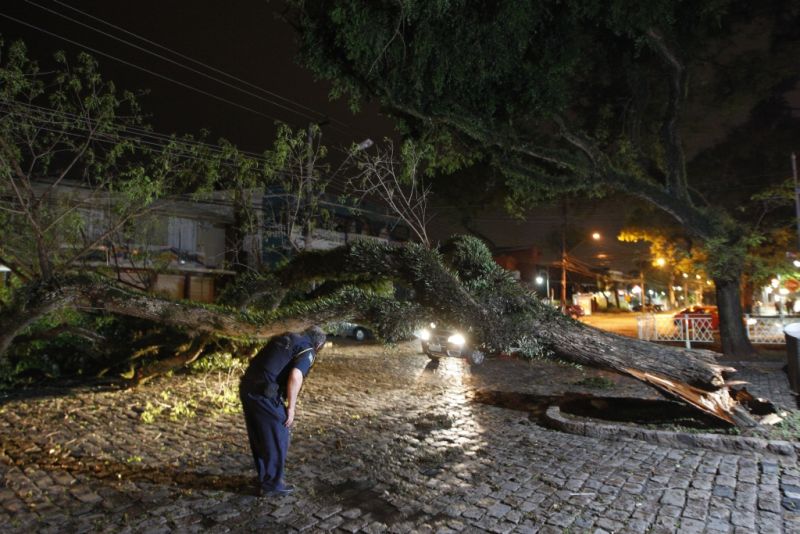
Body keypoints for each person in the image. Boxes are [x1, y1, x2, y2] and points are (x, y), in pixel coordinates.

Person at [239, 326, 326, 496]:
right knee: (279, 432)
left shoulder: (287, 337)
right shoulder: (308, 349)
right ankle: (272, 485)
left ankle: (265, 477)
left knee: (260, 434)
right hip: (264, 394)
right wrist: (291, 408)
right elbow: (295, 376)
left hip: (247, 387)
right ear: (319, 345)